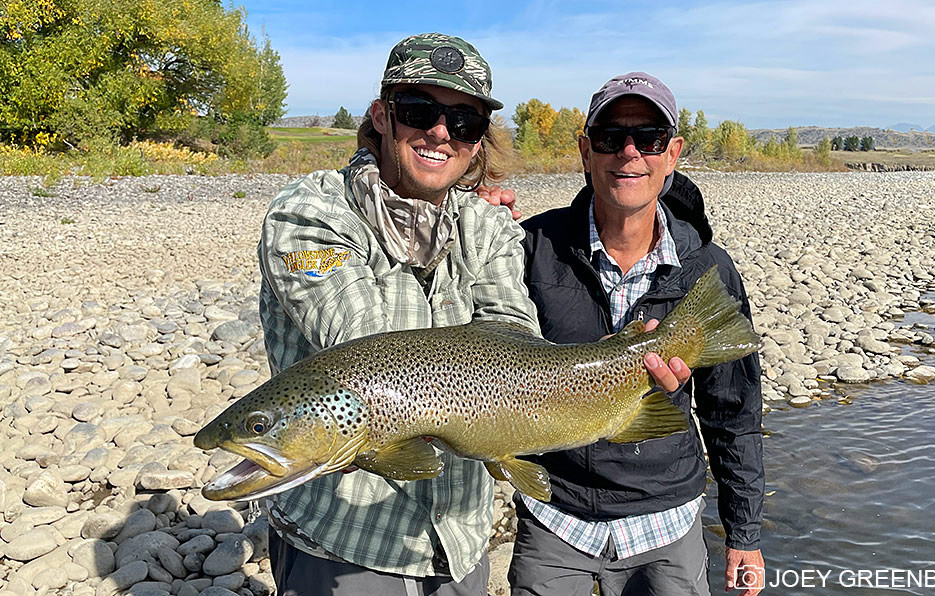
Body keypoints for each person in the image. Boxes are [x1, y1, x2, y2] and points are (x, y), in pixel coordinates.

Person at [255, 34, 686, 595]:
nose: (440, 132)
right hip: (344, 541)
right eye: (419, 112)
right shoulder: (308, 215)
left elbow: (515, 338)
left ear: (478, 140)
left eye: (463, 122)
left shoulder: (485, 226)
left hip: (459, 545)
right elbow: (366, 357)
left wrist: (621, 375)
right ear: (382, 116)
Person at [512, 72, 765, 596]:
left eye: (647, 138)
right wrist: (471, 214)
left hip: (666, 523)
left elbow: (733, 414)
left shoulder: (706, 271)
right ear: (586, 151)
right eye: (610, 138)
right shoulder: (527, 248)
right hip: (554, 520)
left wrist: (743, 533)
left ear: (672, 153)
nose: (629, 153)